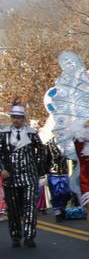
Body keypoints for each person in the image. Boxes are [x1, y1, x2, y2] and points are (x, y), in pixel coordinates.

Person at [0, 103, 50, 248]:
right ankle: (16, 235)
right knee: (13, 208)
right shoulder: (3, 133)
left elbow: (41, 151)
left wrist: (38, 168)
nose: (16, 120)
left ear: (23, 119)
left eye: (19, 118)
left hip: (29, 176)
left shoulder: (31, 133)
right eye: (14, 117)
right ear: (11, 118)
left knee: (30, 207)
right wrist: (2, 169)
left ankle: (29, 236)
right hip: (10, 177)